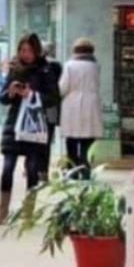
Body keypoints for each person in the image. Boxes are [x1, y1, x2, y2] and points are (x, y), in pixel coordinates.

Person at [0, 33, 58, 226]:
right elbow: (2, 97)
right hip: (14, 125)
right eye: (22, 50)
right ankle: (2, 212)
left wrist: (33, 95)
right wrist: (11, 92)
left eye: (29, 50)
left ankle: (28, 213)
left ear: (36, 50)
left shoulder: (46, 70)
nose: (25, 54)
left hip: (34, 125)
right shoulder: (15, 69)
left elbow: (54, 98)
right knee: (7, 168)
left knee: (32, 169)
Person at [57, 38, 103, 177]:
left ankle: (72, 171)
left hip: (71, 106)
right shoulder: (96, 66)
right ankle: (85, 169)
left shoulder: (69, 65)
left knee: (71, 140)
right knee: (87, 141)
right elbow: (97, 85)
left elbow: (63, 88)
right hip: (91, 104)